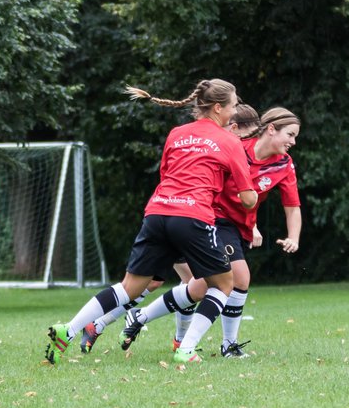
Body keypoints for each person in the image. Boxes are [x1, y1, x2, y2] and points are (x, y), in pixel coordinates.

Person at [45, 79, 256, 365]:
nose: (234, 112)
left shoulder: (177, 134)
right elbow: (246, 199)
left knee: (128, 287)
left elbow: (167, 174)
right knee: (223, 284)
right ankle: (186, 348)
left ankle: (68, 331)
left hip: (157, 212)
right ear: (218, 108)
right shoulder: (230, 141)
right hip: (193, 216)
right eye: (232, 106)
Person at [117, 107, 301, 358]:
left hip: (239, 228)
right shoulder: (235, 146)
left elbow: (292, 207)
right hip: (213, 219)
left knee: (200, 288)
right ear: (271, 130)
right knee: (240, 277)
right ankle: (225, 346)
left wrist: (293, 237)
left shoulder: (284, 164)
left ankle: (141, 316)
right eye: (290, 135)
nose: (293, 141)